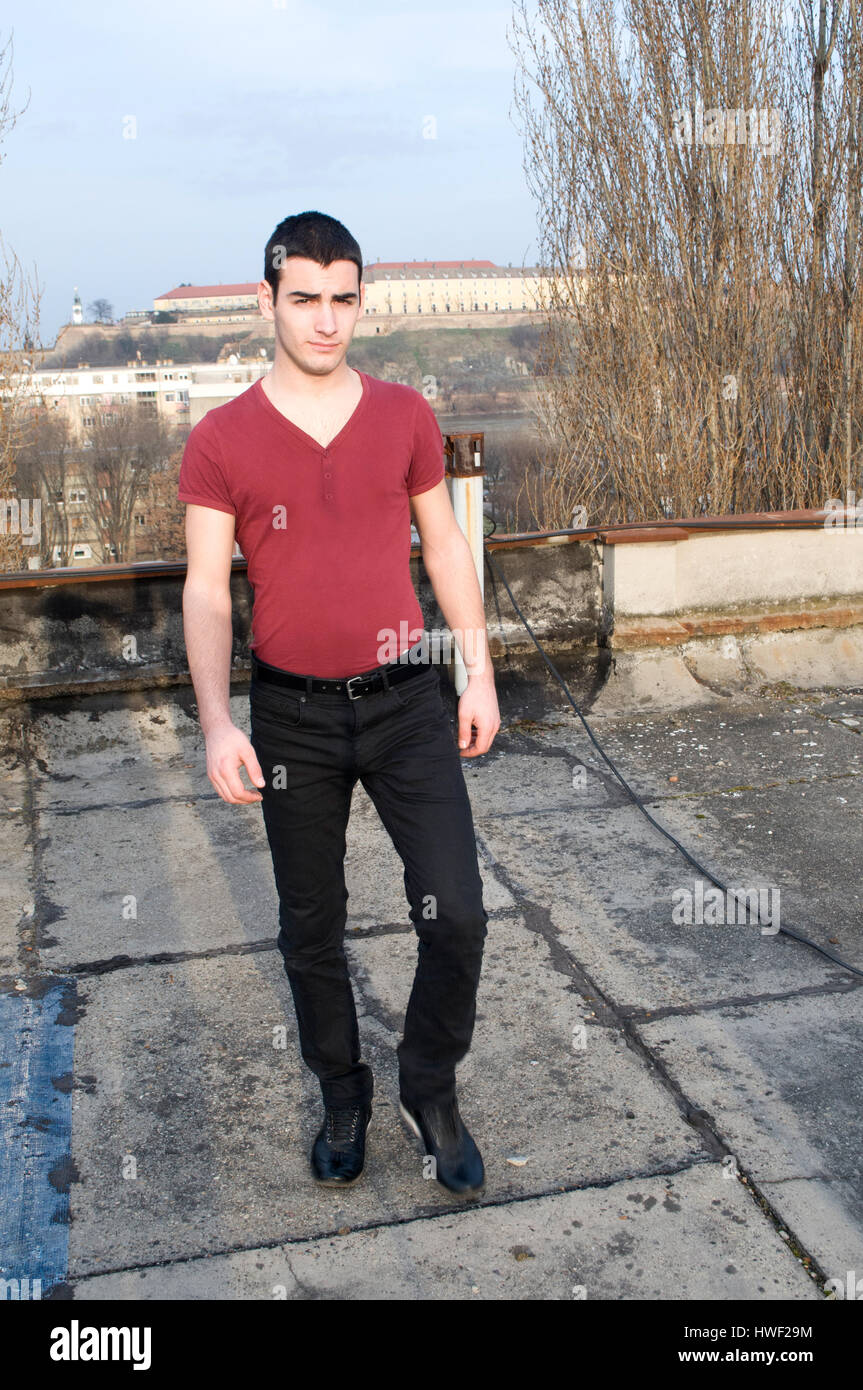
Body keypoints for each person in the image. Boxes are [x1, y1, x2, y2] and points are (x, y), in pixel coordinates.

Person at [178, 210, 500, 1197]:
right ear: (267, 300)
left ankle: (428, 1086)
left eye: (344, 299)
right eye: (306, 298)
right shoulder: (221, 438)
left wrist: (477, 666)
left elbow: (442, 545)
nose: (326, 320)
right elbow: (203, 587)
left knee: (458, 915)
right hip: (291, 719)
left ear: (362, 302)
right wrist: (218, 720)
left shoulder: (405, 415)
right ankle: (342, 1089)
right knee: (309, 927)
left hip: (407, 701)